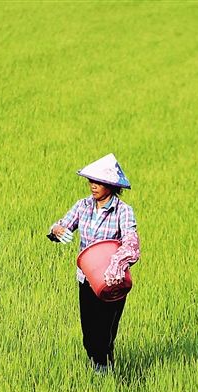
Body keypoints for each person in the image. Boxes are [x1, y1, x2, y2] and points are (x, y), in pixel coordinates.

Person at [48, 153, 141, 373]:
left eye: (99, 182)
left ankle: (104, 369)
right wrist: (57, 230)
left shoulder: (123, 211)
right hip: (86, 279)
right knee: (89, 330)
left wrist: (120, 260)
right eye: (91, 181)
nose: (93, 186)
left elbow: (131, 240)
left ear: (111, 185)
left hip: (112, 280)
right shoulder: (83, 206)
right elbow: (62, 225)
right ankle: (96, 364)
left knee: (106, 330)